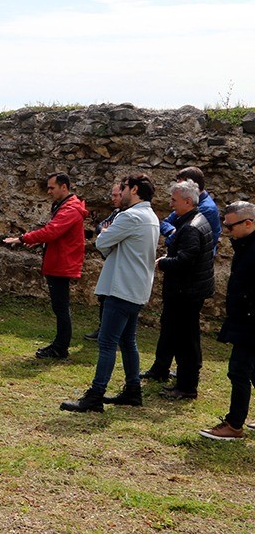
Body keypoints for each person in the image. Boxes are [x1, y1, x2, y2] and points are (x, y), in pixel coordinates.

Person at [61, 174, 160, 412]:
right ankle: (132, 390)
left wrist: (106, 232)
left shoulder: (131, 216)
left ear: (134, 189)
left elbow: (101, 242)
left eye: (123, 188)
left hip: (121, 287)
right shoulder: (151, 216)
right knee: (128, 341)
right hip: (136, 287)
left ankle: (96, 395)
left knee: (107, 343)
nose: (120, 193)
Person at [140, 181, 215, 399]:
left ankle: (187, 386)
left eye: (174, 200)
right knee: (183, 336)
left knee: (185, 340)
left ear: (187, 201)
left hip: (186, 292)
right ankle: (179, 377)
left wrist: (163, 262)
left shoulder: (191, 227)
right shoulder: (195, 221)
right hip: (190, 291)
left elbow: (185, 261)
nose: (171, 204)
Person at [3, 173, 89, 360]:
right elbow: (55, 233)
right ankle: (59, 345)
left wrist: (23, 238)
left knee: (61, 307)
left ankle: (60, 348)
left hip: (62, 263)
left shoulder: (71, 209)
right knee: (60, 307)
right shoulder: (64, 206)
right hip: (59, 261)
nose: (49, 191)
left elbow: (52, 231)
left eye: (52, 188)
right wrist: (38, 241)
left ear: (64, 187)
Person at [200, 202, 255, 440]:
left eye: (230, 226)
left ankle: (234, 425)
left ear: (248, 223)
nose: (225, 230)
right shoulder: (245, 245)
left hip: (251, 322)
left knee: (239, 371)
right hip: (245, 319)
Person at [85, 181, 127, 342]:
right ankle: (103, 328)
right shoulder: (116, 212)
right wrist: (105, 230)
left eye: (116, 195)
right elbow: (100, 226)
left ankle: (112, 333)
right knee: (104, 296)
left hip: (119, 261)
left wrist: (107, 233)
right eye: (112, 195)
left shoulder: (128, 216)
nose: (113, 198)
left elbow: (109, 235)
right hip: (109, 258)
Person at [160, 166, 221, 255]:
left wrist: (175, 235)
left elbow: (178, 240)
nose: (177, 187)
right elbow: (165, 223)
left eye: (180, 184)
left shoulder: (207, 209)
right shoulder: (185, 201)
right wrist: (173, 231)